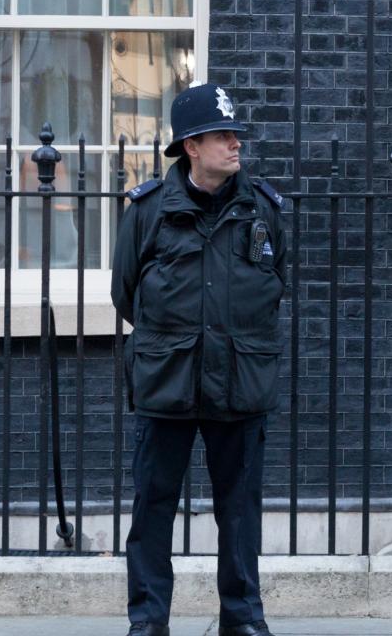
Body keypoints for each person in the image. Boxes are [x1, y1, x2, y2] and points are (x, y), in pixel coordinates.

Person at [114, 83, 287, 636]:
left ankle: (243, 623)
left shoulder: (261, 206)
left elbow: (277, 282)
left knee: (239, 515)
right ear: (191, 145)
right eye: (222, 135)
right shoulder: (148, 212)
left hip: (239, 385)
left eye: (235, 134)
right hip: (168, 384)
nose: (235, 144)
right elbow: (125, 294)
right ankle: (148, 625)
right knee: (152, 513)